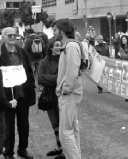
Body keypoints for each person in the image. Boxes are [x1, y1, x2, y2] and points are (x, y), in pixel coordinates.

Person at [0, 27, 36, 159]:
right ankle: (8, 152)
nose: (13, 37)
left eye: (14, 35)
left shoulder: (22, 51)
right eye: (9, 35)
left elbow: (29, 71)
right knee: (8, 126)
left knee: (24, 124)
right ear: (3, 37)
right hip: (8, 96)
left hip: (22, 94)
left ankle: (22, 150)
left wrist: (31, 89)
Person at [52, 18, 83, 159]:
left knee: (65, 132)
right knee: (72, 129)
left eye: (55, 30)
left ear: (62, 30)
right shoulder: (71, 45)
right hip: (71, 92)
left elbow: (72, 69)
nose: (54, 32)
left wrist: (66, 88)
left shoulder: (70, 46)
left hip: (69, 93)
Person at [38, 37, 65, 158]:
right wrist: (57, 78)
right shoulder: (44, 61)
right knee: (54, 123)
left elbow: (64, 78)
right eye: (57, 45)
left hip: (61, 95)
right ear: (51, 48)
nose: (59, 47)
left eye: (60, 45)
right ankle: (59, 147)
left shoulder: (64, 60)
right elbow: (40, 79)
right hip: (49, 95)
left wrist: (48, 78)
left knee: (63, 123)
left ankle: (66, 150)